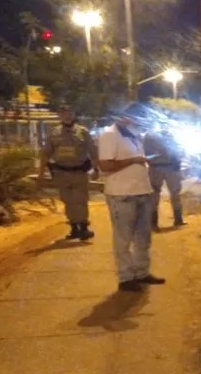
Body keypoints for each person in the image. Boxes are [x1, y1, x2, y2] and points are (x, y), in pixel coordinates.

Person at [97, 103, 166, 292]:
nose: (142, 122)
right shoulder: (110, 135)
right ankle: (126, 278)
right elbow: (105, 165)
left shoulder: (134, 135)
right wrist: (134, 160)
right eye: (139, 118)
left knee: (143, 238)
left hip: (142, 193)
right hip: (122, 195)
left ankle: (142, 272)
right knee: (123, 239)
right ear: (127, 116)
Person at [38, 104, 98, 241]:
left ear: (74, 115)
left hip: (79, 172)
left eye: (70, 112)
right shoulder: (54, 133)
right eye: (64, 113)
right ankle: (74, 227)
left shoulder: (83, 132)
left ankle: (83, 227)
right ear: (60, 115)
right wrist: (41, 173)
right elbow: (45, 154)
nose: (67, 115)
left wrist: (96, 169)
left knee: (80, 200)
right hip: (61, 173)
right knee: (68, 201)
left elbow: (93, 152)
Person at [143, 126, 186, 230]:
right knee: (169, 193)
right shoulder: (153, 135)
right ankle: (175, 220)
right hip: (164, 167)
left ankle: (155, 223)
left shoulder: (150, 135)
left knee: (159, 194)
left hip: (161, 167)